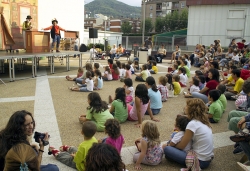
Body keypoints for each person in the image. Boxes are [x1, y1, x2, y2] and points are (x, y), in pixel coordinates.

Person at [163, 99, 214, 169]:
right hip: (207, 158)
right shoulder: (202, 120)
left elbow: (181, 146)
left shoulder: (192, 124)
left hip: (200, 161)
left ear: (191, 109)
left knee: (167, 149)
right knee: (175, 135)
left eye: (187, 106)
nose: (185, 107)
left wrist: (170, 144)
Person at [227, 80, 250, 154]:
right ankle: (240, 136)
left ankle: (242, 139)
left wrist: (246, 121)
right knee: (232, 113)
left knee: (234, 121)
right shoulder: (247, 94)